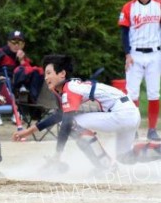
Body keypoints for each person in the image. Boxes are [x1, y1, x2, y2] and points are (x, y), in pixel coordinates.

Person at [12, 54, 160, 168]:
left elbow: (66, 121)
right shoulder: (71, 87)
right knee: (125, 157)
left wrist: (58, 154)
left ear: (62, 74)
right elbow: (60, 115)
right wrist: (27, 132)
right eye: (45, 74)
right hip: (130, 113)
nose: (46, 78)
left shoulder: (70, 89)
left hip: (122, 113)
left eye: (49, 73)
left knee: (72, 123)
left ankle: (105, 166)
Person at [118, 0, 161, 141]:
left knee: (153, 93)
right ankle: (133, 128)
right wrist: (127, 54)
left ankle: (152, 129)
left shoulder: (158, 5)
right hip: (135, 54)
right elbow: (124, 33)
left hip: (155, 53)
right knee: (132, 94)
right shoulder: (128, 7)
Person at [0, 30, 44, 124]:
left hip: (16, 84)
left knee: (34, 76)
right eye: (14, 42)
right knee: (5, 82)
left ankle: (20, 112)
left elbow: (29, 73)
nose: (16, 45)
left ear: (23, 45)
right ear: (8, 43)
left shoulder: (23, 57)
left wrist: (22, 61)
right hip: (1, 82)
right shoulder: (0, 53)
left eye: (19, 42)